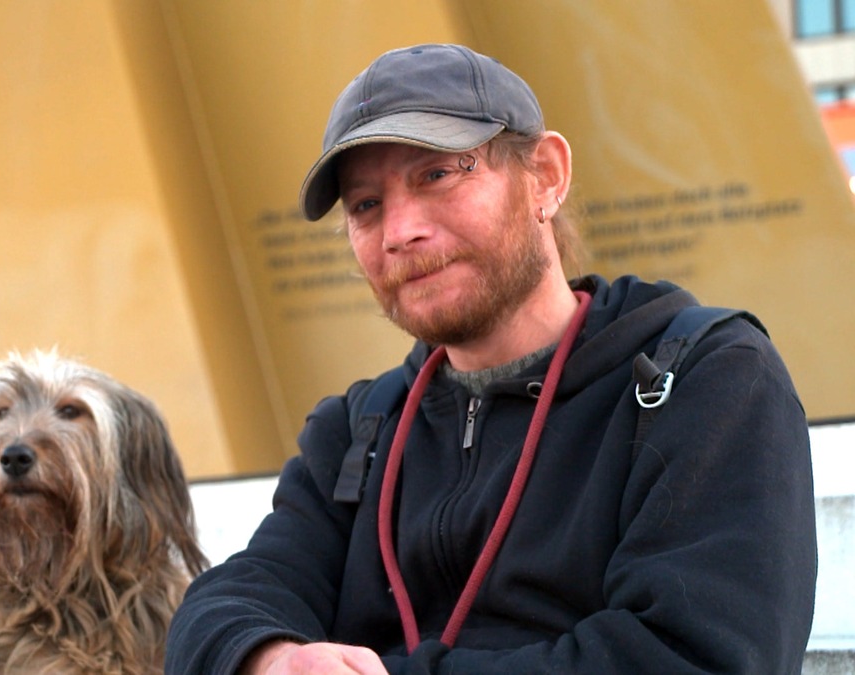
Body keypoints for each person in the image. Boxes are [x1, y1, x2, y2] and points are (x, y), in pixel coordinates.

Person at [165, 44, 816, 674]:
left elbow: (696, 654)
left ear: (547, 177)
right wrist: (272, 658)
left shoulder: (705, 381)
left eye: (438, 174)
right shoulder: (355, 432)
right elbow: (227, 604)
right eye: (366, 205)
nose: (399, 231)